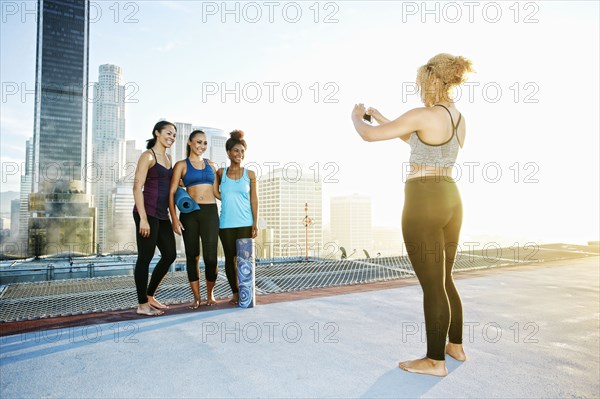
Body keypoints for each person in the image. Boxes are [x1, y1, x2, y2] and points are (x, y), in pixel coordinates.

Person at [351, 53, 474, 377]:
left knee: (432, 286)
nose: (420, 89)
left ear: (434, 80)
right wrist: (383, 117)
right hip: (450, 196)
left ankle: (434, 361)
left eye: (422, 83)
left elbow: (368, 135)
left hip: (423, 199)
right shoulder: (458, 118)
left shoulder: (424, 113)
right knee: (445, 278)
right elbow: (420, 142)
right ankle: (455, 345)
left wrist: (357, 118)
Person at [169, 130, 220, 308]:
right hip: (190, 214)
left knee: (211, 258)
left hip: (210, 212)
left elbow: (216, 192)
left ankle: (210, 294)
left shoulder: (211, 165)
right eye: (198, 142)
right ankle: (197, 298)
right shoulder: (181, 165)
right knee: (192, 256)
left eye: (205, 143)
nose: (202, 146)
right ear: (190, 142)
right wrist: (174, 218)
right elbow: (172, 192)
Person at [132, 121, 178, 316]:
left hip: (162, 215)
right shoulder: (148, 156)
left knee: (170, 255)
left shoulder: (168, 159)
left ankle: (150, 295)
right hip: (147, 213)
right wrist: (143, 218)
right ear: (157, 133)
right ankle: (142, 304)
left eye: (174, 135)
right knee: (145, 257)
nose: (172, 137)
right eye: (168, 133)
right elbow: (137, 187)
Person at [215, 130, 258, 305]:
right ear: (228, 153)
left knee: (244, 260)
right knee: (229, 259)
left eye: (242, 151)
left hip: (245, 222)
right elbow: (216, 193)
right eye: (236, 151)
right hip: (225, 223)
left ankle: (246, 292)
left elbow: (253, 199)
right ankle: (235, 292)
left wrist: (255, 223)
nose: (239, 154)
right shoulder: (220, 173)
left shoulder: (250, 174)